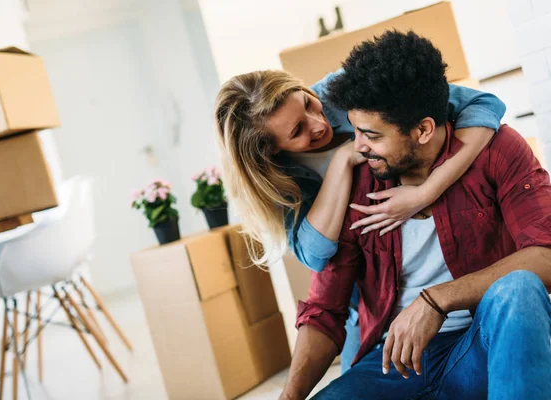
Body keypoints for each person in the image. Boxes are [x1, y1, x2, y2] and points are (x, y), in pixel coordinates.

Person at [280, 30, 551, 400]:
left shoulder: (497, 149)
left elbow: (546, 255)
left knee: (518, 288)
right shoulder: (356, 181)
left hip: (483, 347)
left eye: (371, 135)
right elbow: (325, 310)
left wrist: (438, 299)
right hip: (396, 366)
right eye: (355, 130)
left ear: (423, 129)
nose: (357, 146)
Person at [214, 39, 506, 371]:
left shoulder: (341, 90)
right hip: (368, 293)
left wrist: (427, 191)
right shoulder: (275, 177)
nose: (318, 123)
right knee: (357, 373)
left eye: (308, 103)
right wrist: (342, 160)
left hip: (443, 268)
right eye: (298, 131)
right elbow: (315, 253)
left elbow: (484, 105)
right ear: (271, 151)